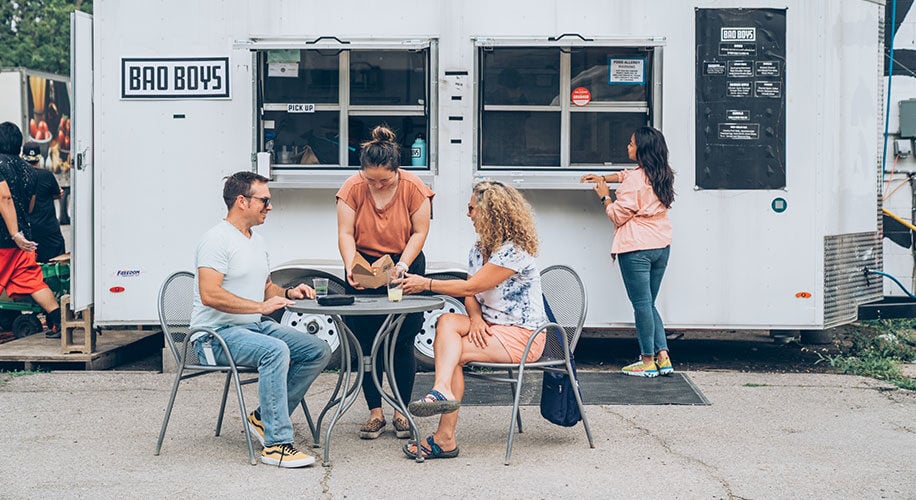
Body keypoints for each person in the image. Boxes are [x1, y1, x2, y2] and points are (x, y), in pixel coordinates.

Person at [397, 180, 546, 460]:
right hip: (490, 327)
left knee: (452, 354)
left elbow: (469, 287)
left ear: (489, 212)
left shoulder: (514, 251)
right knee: (447, 321)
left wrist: (425, 284)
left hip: (523, 335)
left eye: (471, 208)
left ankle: (445, 436)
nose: (468, 214)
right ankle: (441, 390)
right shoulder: (479, 250)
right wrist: (475, 318)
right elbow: (471, 297)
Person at [191, 171, 331, 468]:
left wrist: (290, 291)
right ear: (242, 201)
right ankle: (277, 445)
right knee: (275, 350)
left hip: (252, 328)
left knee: (318, 350)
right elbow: (209, 294)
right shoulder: (216, 240)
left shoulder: (257, 240)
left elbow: (267, 288)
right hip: (213, 335)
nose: (270, 206)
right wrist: (260, 306)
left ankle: (262, 418)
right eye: (264, 200)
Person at [335, 124, 434, 440]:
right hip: (363, 263)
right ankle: (374, 412)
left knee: (401, 339)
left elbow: (419, 231)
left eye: (385, 180)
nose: (377, 186)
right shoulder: (352, 186)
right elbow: (345, 233)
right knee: (366, 340)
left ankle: (401, 411)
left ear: (397, 170)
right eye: (370, 179)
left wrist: (403, 265)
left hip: (403, 263)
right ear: (362, 171)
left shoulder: (413, 187)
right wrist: (353, 265)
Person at [580, 126, 675, 378]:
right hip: (660, 246)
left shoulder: (635, 181)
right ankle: (663, 357)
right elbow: (627, 175)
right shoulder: (661, 173)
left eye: (631, 144)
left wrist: (604, 196)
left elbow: (617, 216)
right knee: (649, 303)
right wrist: (604, 178)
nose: (627, 147)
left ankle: (646, 361)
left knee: (642, 305)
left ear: (642, 150)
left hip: (636, 248)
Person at [0, 122, 62, 337]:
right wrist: (20, 233)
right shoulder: (29, 170)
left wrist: (13, 232)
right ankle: (59, 322)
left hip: (5, 239)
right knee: (33, 282)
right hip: (24, 241)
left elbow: (4, 197)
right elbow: (30, 206)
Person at [21, 142, 66, 262]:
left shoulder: (19, 175)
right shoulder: (47, 175)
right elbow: (58, 193)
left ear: (22, 157)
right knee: (56, 263)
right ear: (39, 158)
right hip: (49, 230)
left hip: (29, 231)